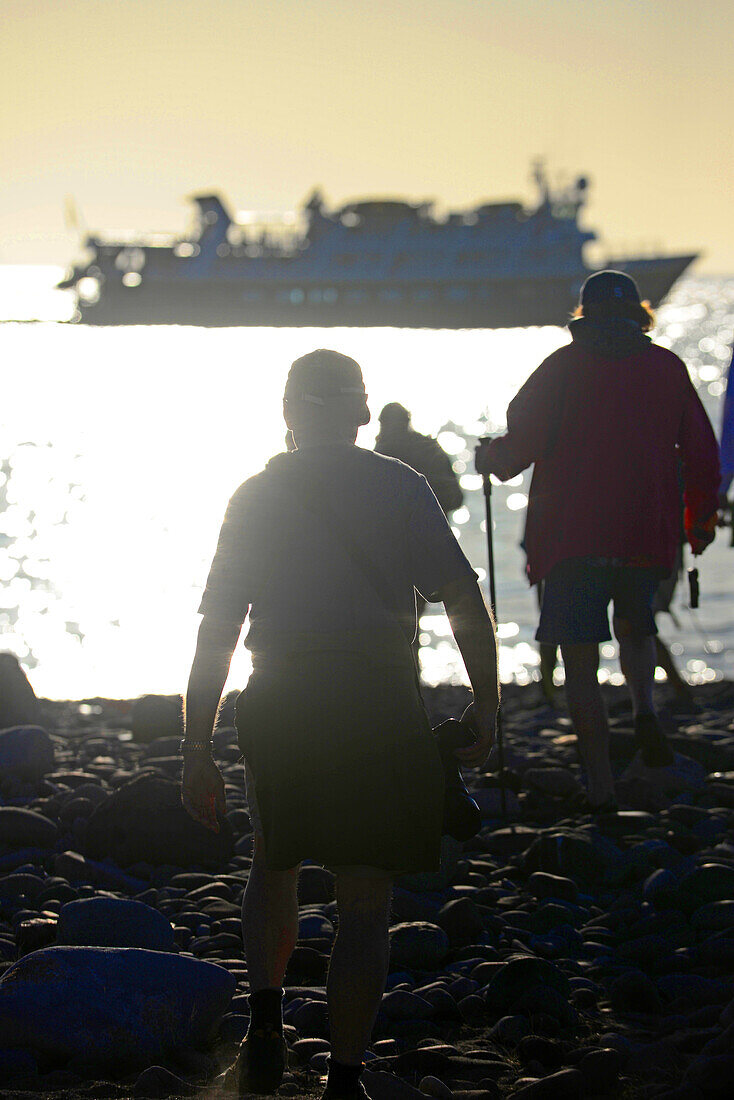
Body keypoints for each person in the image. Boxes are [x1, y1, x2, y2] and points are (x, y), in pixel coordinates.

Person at [181, 350, 499, 1100]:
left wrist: (194, 746)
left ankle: (265, 1027)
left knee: (274, 860)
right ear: (362, 412)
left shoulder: (255, 494)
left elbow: (218, 628)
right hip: (377, 704)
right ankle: (345, 1080)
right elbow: (461, 601)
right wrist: (487, 705)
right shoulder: (401, 486)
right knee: (364, 901)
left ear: (288, 412)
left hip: (282, 700)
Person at [476, 270, 720, 811]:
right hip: (643, 534)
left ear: (582, 318)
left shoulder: (561, 368)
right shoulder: (667, 368)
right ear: (639, 313)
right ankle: (644, 710)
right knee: (636, 630)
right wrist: (698, 524)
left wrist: (488, 458)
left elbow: (520, 446)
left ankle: (602, 786)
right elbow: (703, 454)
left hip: (570, 539)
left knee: (580, 661)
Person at [375, 403, 464, 660]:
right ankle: (412, 678)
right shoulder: (428, 449)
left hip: (393, 553)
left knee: (401, 623)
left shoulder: (380, 455)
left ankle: (408, 677)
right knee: (410, 622)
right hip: (427, 549)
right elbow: (455, 498)